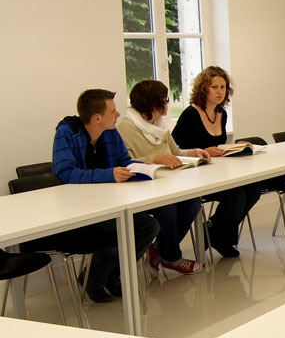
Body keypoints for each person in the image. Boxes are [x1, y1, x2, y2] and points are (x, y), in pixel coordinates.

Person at [51, 89, 159, 303]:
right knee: (121, 228)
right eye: (113, 110)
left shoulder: (110, 131)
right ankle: (95, 279)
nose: (118, 114)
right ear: (97, 117)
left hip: (110, 203)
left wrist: (147, 167)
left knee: (150, 226)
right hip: (78, 208)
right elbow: (64, 172)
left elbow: (124, 161)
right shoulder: (67, 132)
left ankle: (111, 275)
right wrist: (108, 174)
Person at [117, 79, 211, 276]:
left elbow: (176, 152)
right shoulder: (125, 127)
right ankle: (171, 257)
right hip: (142, 186)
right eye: (165, 99)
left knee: (193, 202)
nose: (168, 103)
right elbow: (126, 161)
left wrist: (193, 153)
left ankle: (160, 250)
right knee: (168, 206)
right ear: (152, 103)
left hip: (169, 182)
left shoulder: (160, 125)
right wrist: (155, 158)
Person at [171, 66, 261, 258]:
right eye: (215, 87)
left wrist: (235, 146)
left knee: (253, 189)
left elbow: (216, 145)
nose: (220, 92)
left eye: (223, 87)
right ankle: (219, 236)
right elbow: (175, 150)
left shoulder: (222, 114)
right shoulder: (190, 115)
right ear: (204, 88)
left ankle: (214, 233)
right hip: (193, 175)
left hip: (215, 172)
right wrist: (201, 152)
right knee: (236, 196)